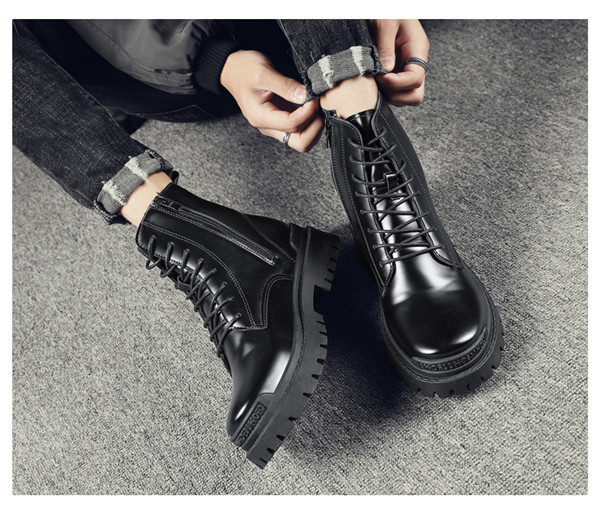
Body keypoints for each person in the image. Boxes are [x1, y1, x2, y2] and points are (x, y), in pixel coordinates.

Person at [13, 19, 504, 468]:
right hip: (163, 71)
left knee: (346, 71)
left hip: (322, 31)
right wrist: (216, 62)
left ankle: (364, 141)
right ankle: (191, 233)